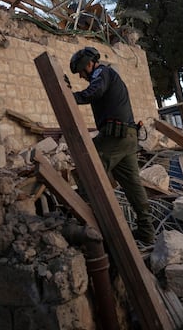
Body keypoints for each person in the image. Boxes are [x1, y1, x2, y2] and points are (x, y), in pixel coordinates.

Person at [68, 46, 155, 245]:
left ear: (90, 64)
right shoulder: (106, 75)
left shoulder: (102, 73)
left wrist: (72, 96)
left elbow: (95, 91)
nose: (81, 76)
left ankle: (92, 226)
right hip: (127, 137)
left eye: (81, 71)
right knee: (133, 185)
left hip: (116, 137)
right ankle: (147, 231)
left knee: (86, 169)